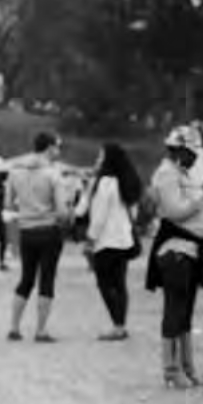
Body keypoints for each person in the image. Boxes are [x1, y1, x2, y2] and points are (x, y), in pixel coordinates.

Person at [147, 126, 203, 388]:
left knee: (185, 312)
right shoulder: (166, 174)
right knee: (174, 309)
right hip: (176, 250)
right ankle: (171, 369)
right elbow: (175, 211)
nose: (195, 159)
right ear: (181, 150)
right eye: (192, 153)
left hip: (191, 250)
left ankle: (188, 367)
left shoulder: (180, 173)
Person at [5, 131, 68, 343]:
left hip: (26, 230)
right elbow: (61, 210)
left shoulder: (16, 171)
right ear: (49, 148)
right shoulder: (53, 174)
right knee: (47, 279)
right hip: (48, 230)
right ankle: (41, 330)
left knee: (26, 278)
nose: (59, 151)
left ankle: (14, 327)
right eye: (58, 147)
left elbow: (8, 203)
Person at [83, 142, 144, 341]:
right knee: (120, 284)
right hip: (123, 240)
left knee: (104, 284)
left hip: (106, 240)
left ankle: (117, 325)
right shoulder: (125, 182)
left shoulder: (106, 183)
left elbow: (99, 216)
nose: (98, 160)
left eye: (101, 156)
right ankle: (121, 324)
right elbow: (134, 213)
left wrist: (90, 239)